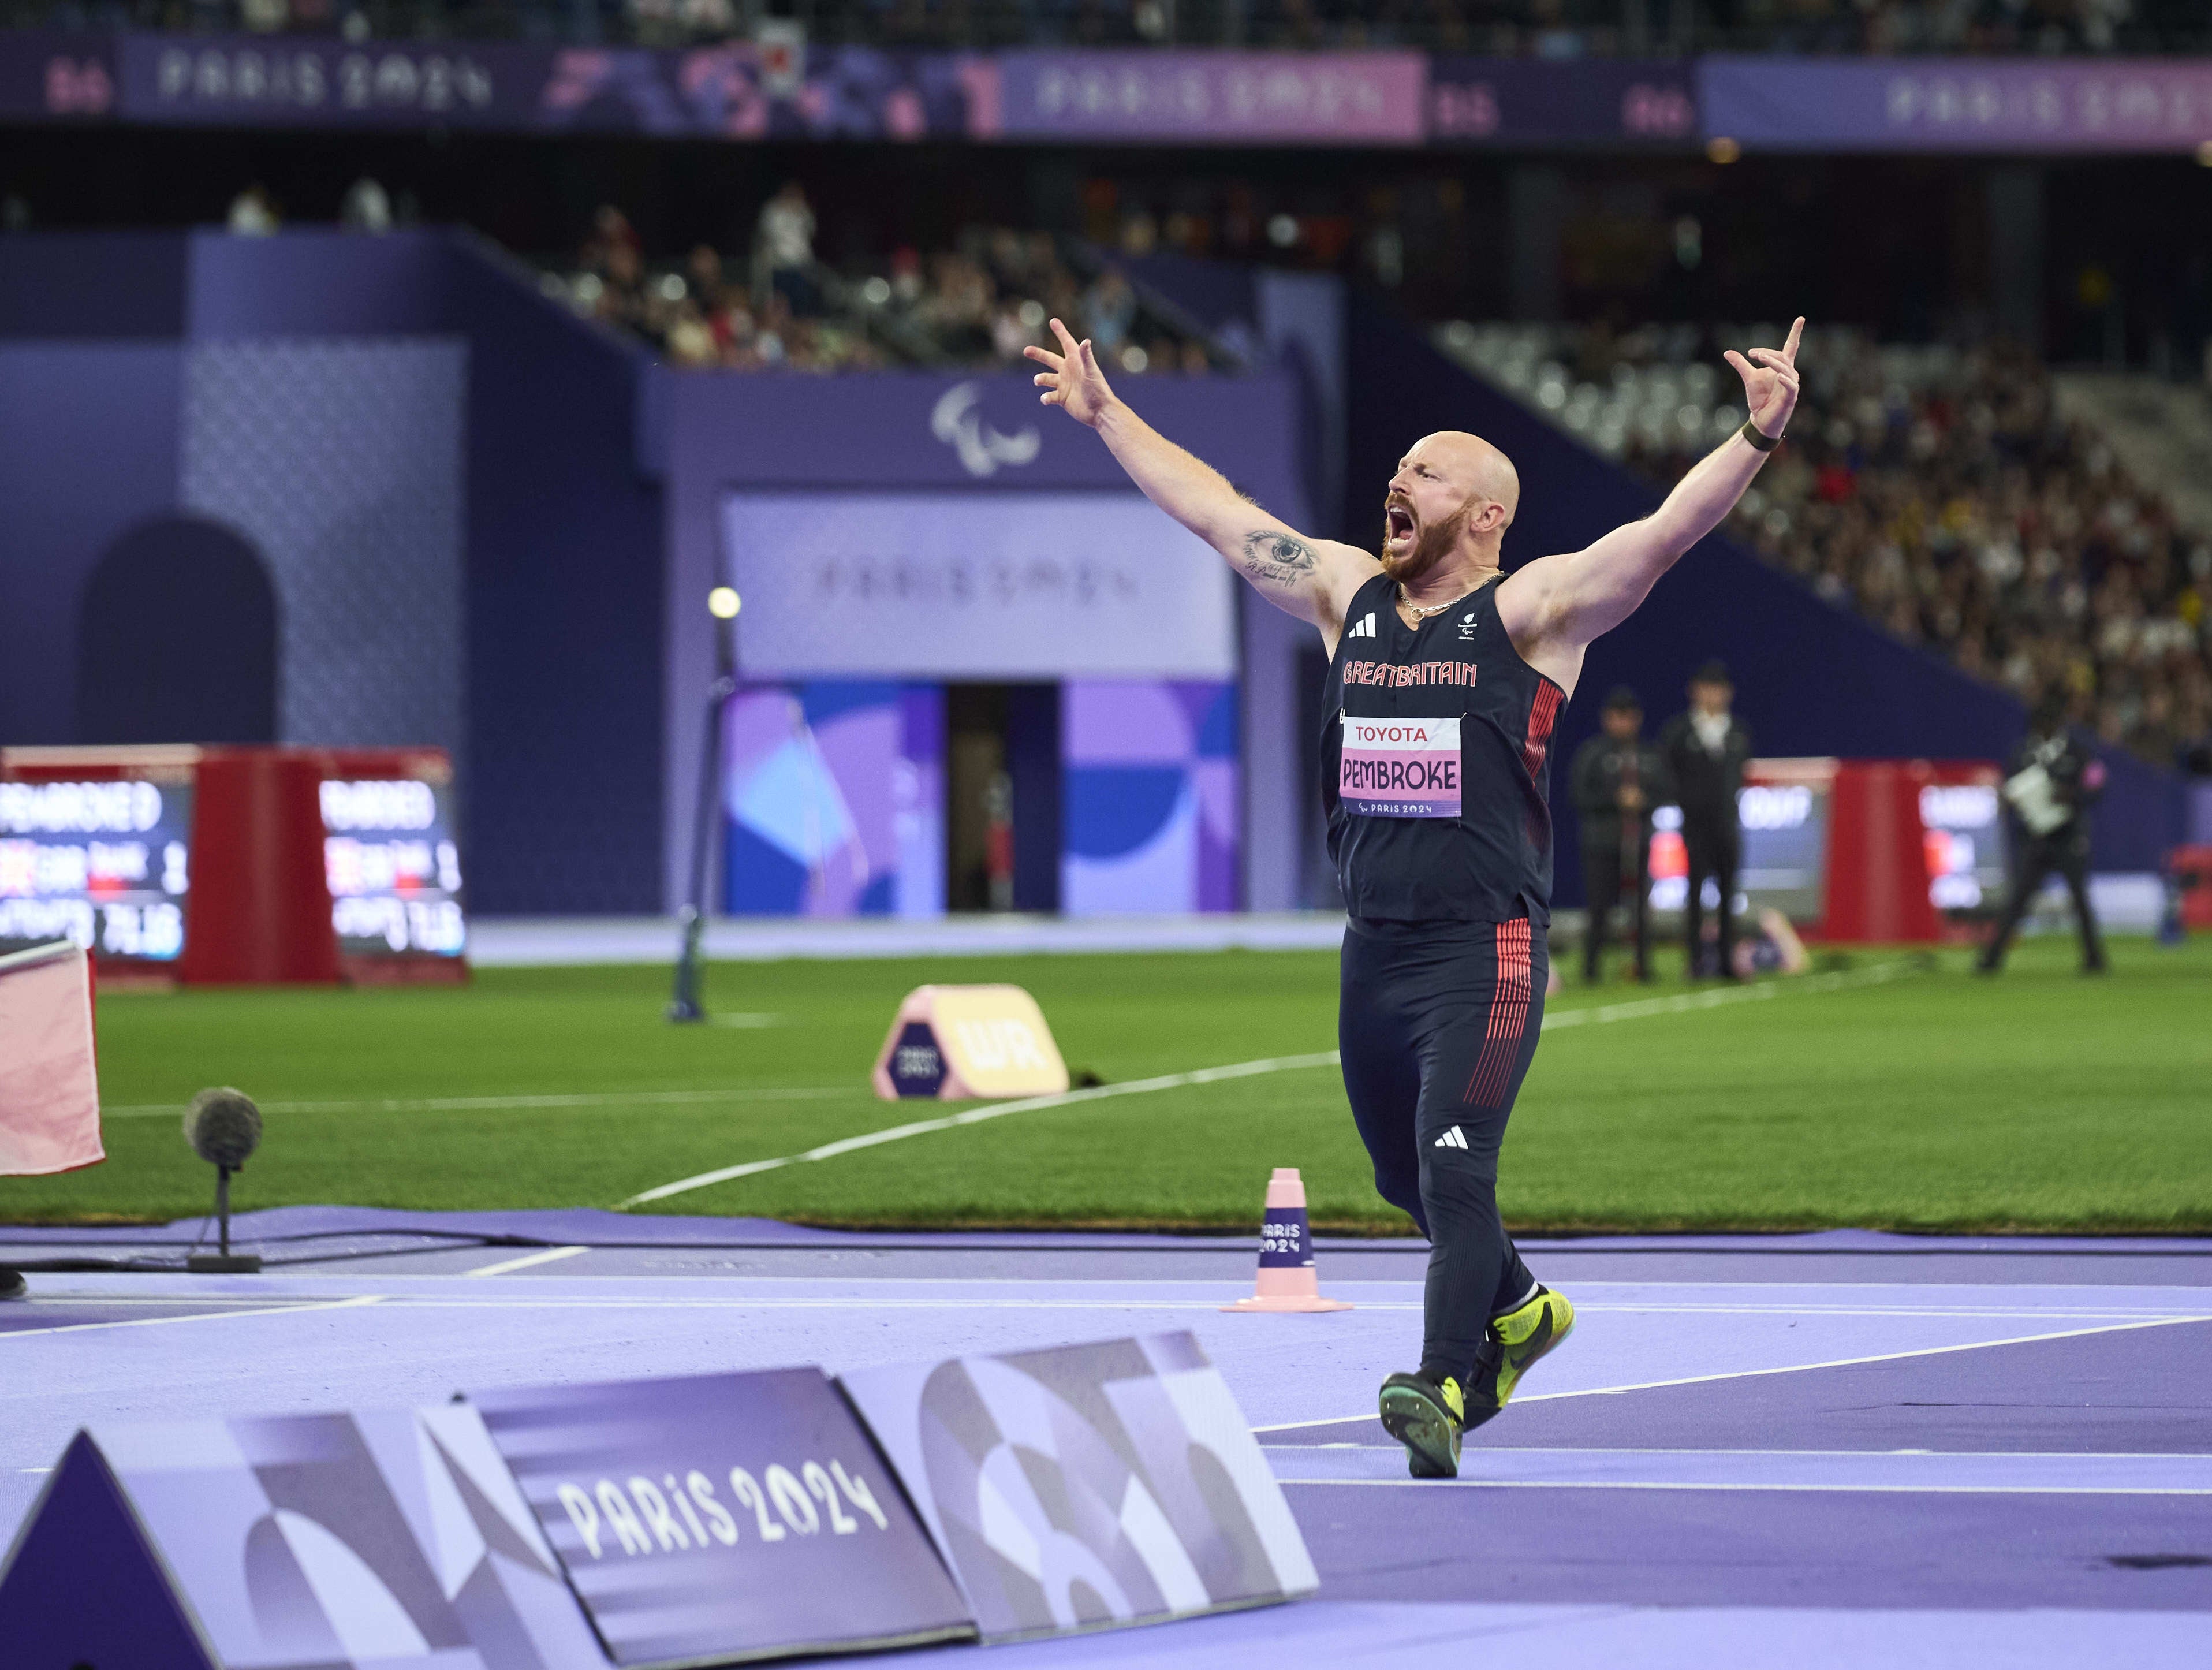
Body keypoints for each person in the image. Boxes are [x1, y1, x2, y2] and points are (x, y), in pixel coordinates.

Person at [1027, 313, 1806, 1478]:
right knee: (1403, 1178)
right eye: (1396, 470)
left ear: (1486, 514)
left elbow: (1658, 537)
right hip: (1371, 953)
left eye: (1426, 474)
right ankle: (1525, 1308)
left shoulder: (1533, 613)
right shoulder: (1345, 592)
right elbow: (1218, 513)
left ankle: (1441, 1383)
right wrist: (1105, 414)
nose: (1398, 482)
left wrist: (1753, 435)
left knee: (1452, 1166)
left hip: (1481, 950)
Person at [1978, 694, 2108, 974]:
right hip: (2036, 837)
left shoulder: (2078, 751)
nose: (2047, 729)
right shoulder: (2023, 752)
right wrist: (2007, 801)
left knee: (2079, 899)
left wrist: (2075, 796)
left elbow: (2097, 784)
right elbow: (2009, 789)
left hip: (2068, 835)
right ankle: (1991, 959)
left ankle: (2095, 959)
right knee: (2019, 900)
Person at [1659, 661, 1752, 979]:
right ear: (1694, 691)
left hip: (1728, 823)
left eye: (1719, 688)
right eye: (1707, 687)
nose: (1713, 695)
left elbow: (1740, 774)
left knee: (1729, 895)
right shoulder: (1679, 731)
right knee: (1695, 893)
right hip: (1695, 824)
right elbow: (1667, 774)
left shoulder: (1738, 731)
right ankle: (1696, 962)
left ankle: (1727, 961)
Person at [1568, 687, 1666, 983]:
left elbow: (1666, 790)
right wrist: (1616, 800)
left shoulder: (1649, 754)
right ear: (1606, 718)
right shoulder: (1592, 754)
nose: (1623, 723)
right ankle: (1591, 970)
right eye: (1617, 716)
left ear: (1637, 718)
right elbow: (1579, 796)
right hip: (1601, 843)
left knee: (1640, 910)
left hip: (1638, 843)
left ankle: (1643, 967)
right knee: (1599, 908)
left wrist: (1644, 800)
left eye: (1628, 716)